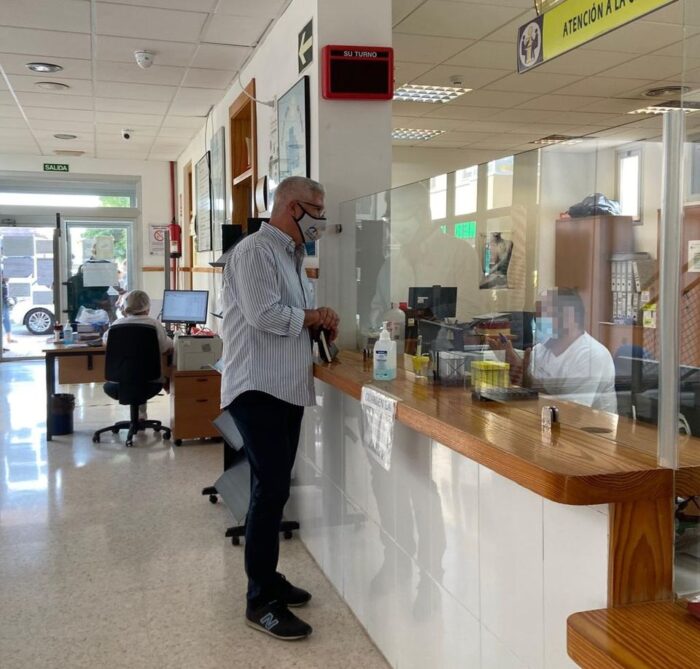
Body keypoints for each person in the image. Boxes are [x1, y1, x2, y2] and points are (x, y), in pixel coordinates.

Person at [220, 176, 339, 641]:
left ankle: (269, 579)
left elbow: (292, 316)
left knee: (274, 490)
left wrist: (318, 323)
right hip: (258, 389)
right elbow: (265, 315)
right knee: (269, 492)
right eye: (316, 211)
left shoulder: (293, 255)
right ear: (292, 208)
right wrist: (312, 316)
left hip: (284, 388)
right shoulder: (254, 252)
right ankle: (259, 601)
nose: (320, 220)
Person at [489, 288, 617, 412]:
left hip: (586, 425)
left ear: (569, 316)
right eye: (536, 316)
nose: (538, 321)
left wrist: (529, 381)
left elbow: (572, 411)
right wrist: (513, 362)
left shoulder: (592, 356)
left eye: (544, 314)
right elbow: (526, 387)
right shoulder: (542, 348)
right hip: (543, 419)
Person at [103, 290, 173, 420]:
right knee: (142, 372)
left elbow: (106, 341)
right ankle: (141, 415)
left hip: (118, 384)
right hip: (149, 382)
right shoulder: (154, 324)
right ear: (147, 307)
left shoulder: (117, 325)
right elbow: (164, 348)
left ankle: (140, 416)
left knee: (133, 371)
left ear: (126, 306)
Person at [2, 276, 15, 351]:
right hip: (3, 304)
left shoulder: (4, 284)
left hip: (4, 304)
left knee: (7, 321)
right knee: (5, 321)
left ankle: (9, 338)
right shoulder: (3, 285)